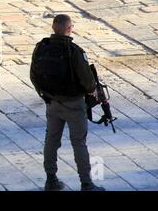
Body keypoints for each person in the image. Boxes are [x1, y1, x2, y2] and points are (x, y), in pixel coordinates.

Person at [30, 14, 105, 191]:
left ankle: (51, 179)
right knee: (79, 142)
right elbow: (87, 82)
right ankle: (86, 183)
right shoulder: (74, 51)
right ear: (69, 28)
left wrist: (45, 95)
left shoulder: (41, 47)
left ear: (53, 28)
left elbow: (33, 76)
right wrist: (93, 90)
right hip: (74, 104)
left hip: (52, 103)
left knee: (51, 140)